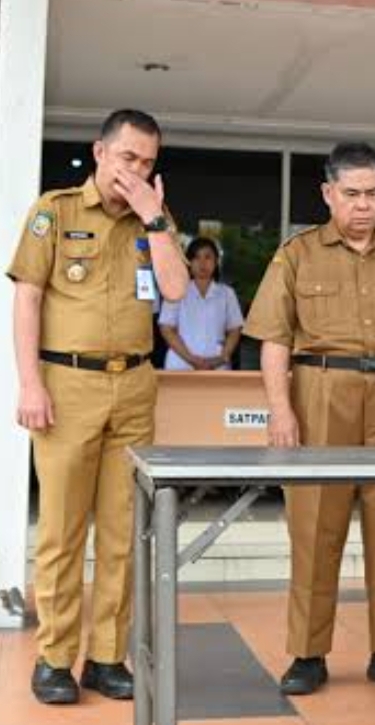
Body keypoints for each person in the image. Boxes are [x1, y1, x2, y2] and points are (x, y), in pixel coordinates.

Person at [8, 109, 188, 704]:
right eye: (127, 157)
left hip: (133, 386)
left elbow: (176, 289)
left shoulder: (154, 218)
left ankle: (107, 658)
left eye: (147, 162)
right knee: (62, 530)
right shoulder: (55, 212)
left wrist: (154, 215)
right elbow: (27, 300)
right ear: (100, 152)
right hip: (67, 384)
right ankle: (55, 659)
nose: (135, 170)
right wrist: (29, 384)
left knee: (122, 532)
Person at [243, 142, 375, 696]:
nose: (364, 205)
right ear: (328, 193)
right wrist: (281, 411)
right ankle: (308, 654)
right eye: (352, 194)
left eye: (373, 193)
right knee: (315, 527)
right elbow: (274, 340)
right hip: (320, 393)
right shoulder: (297, 255)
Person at [159, 237, 244, 370]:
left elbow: (235, 329)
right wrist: (191, 359)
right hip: (180, 365)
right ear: (189, 262)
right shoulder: (176, 290)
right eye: (196, 257)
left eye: (208, 257)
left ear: (216, 261)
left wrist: (223, 357)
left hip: (217, 365)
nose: (202, 263)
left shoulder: (227, 293)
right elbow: (166, 328)